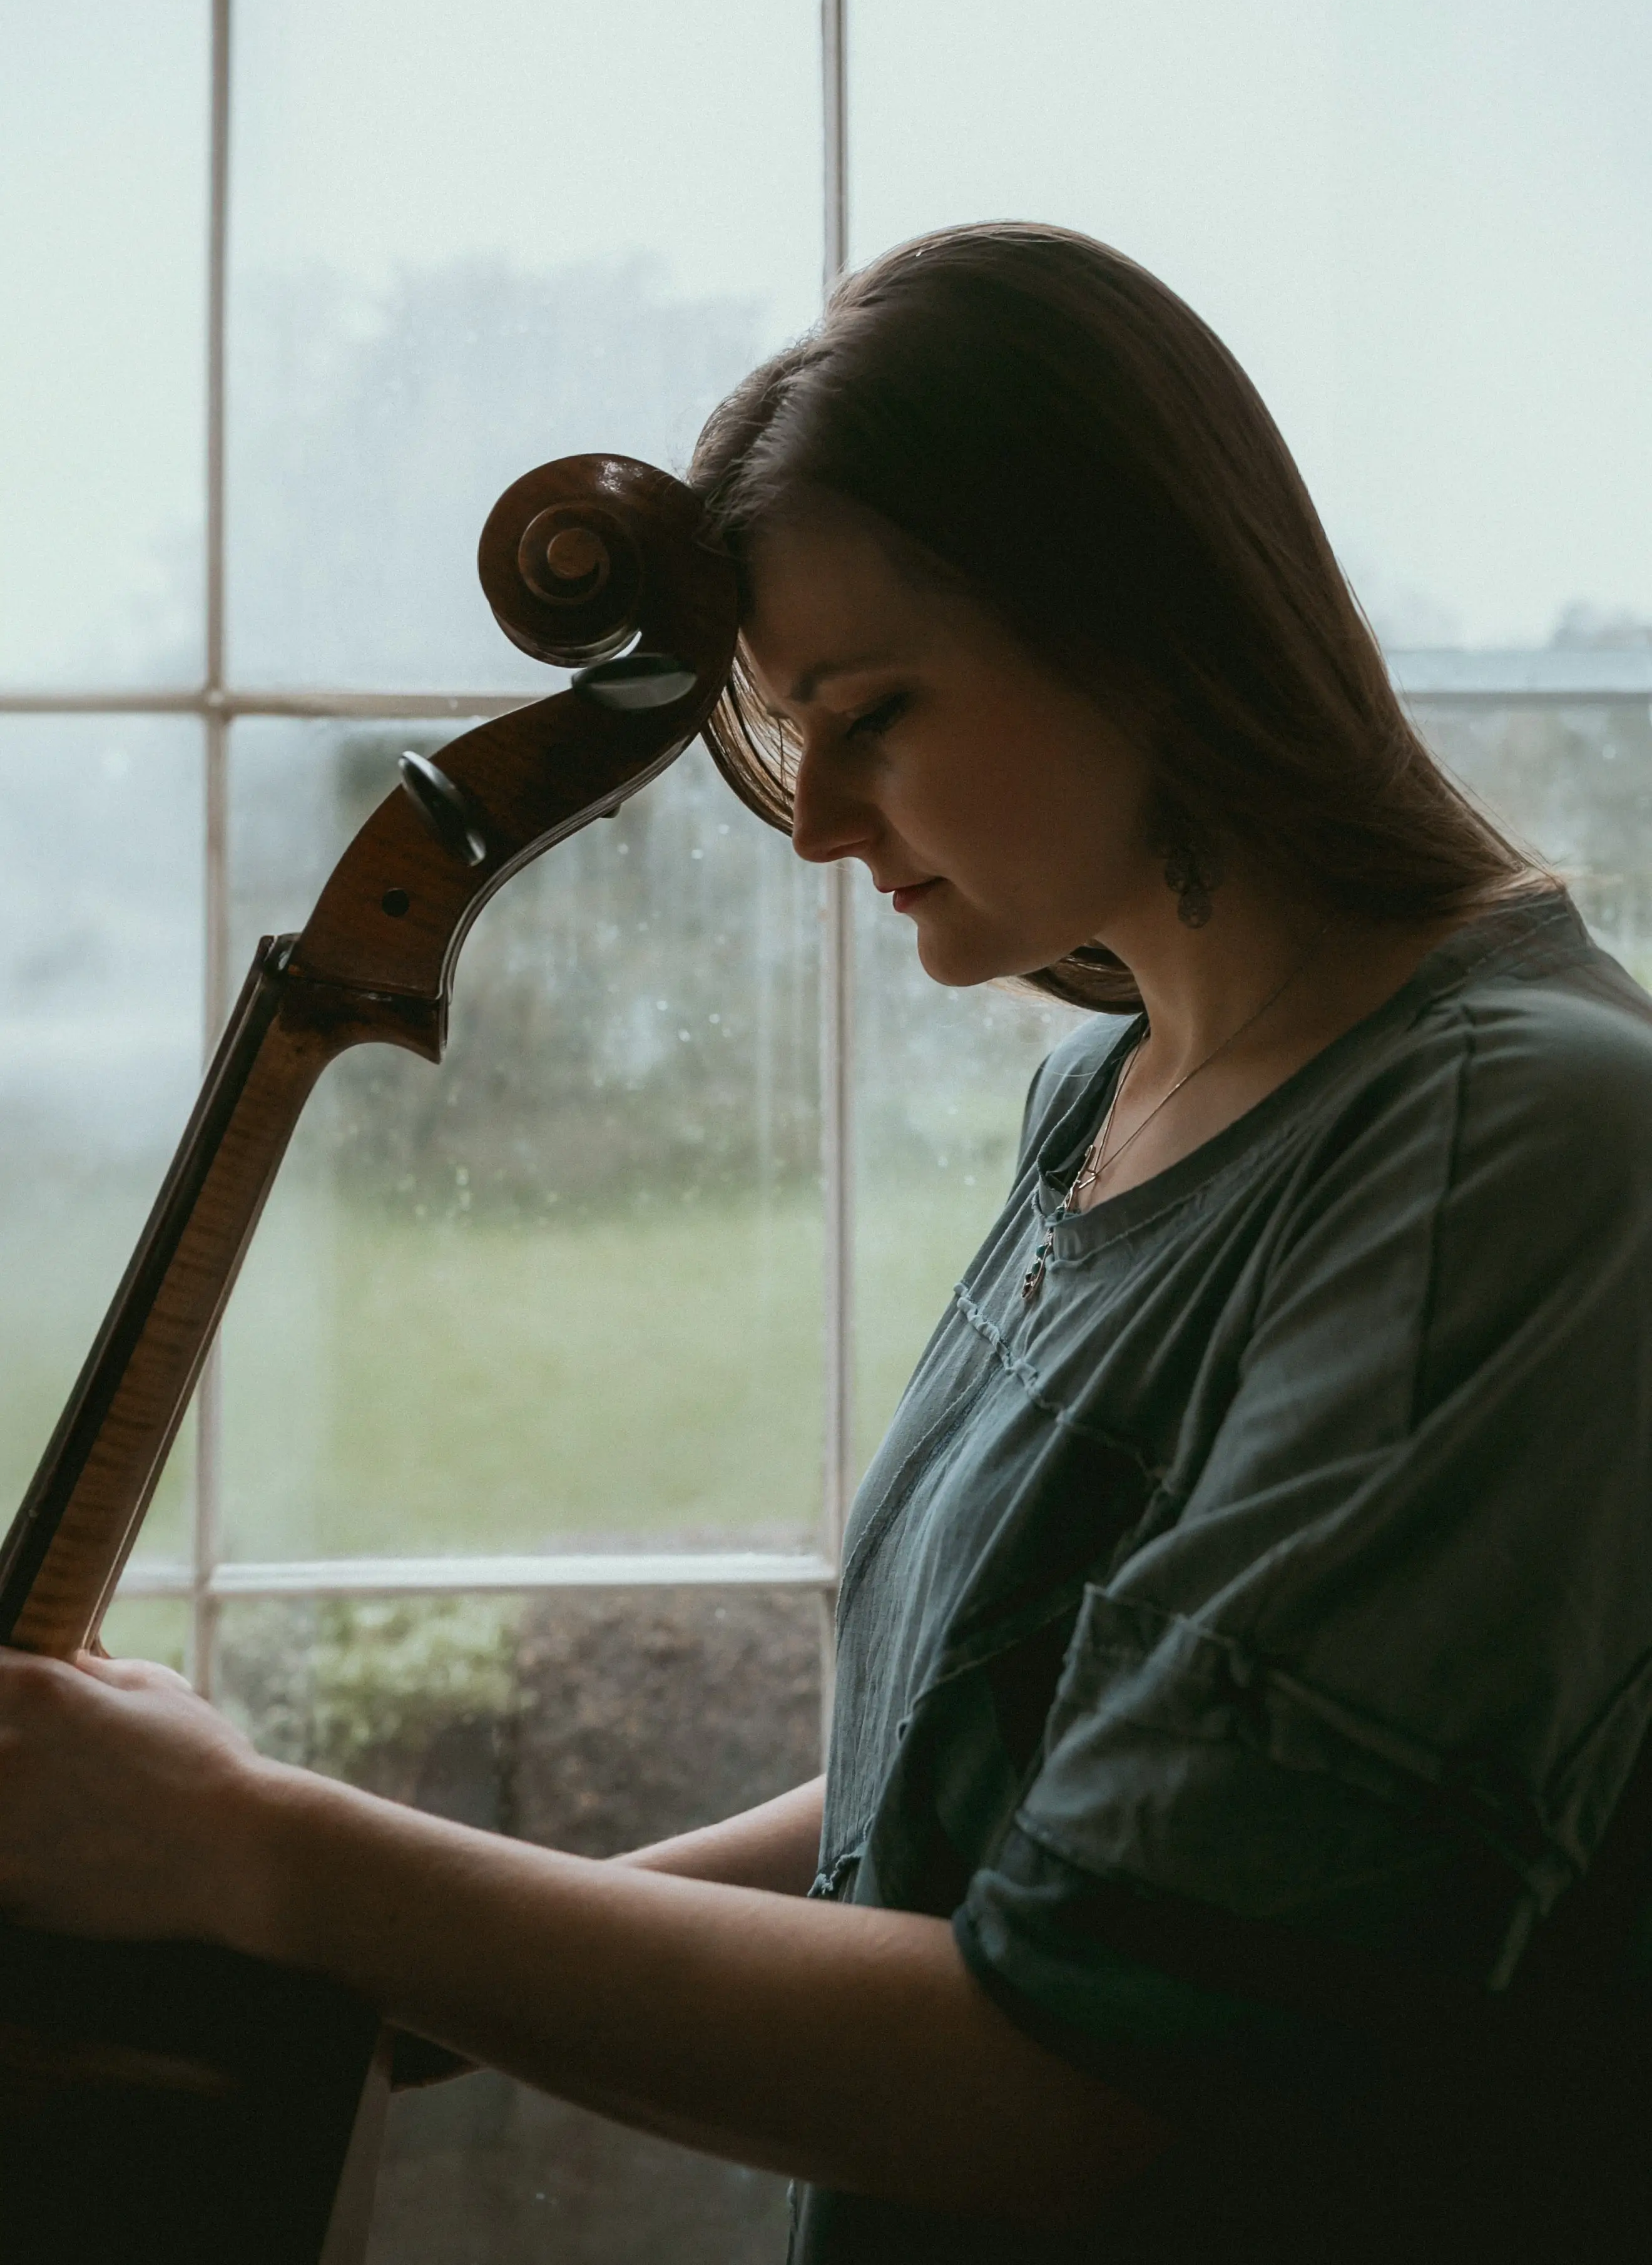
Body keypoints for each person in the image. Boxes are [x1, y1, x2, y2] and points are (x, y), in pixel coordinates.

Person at [4, 223, 1652, 2261]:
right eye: (794, 728)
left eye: (870, 712)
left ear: (1152, 626)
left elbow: (1083, 2076)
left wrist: (272, 1860)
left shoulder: (1525, 1148)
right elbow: (949, 1806)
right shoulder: (1117, 1094)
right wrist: (354, 1962)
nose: (812, 819)